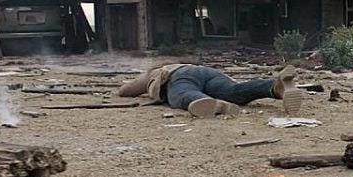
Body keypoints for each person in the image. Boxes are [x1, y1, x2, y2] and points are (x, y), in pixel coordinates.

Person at [118, 63, 302, 118]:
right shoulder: (188, 63)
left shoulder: (158, 70)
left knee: (182, 94)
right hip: (209, 73)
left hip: (181, 76)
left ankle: (215, 105)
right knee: (234, 90)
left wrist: (128, 85)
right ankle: (275, 87)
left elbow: (127, 90)